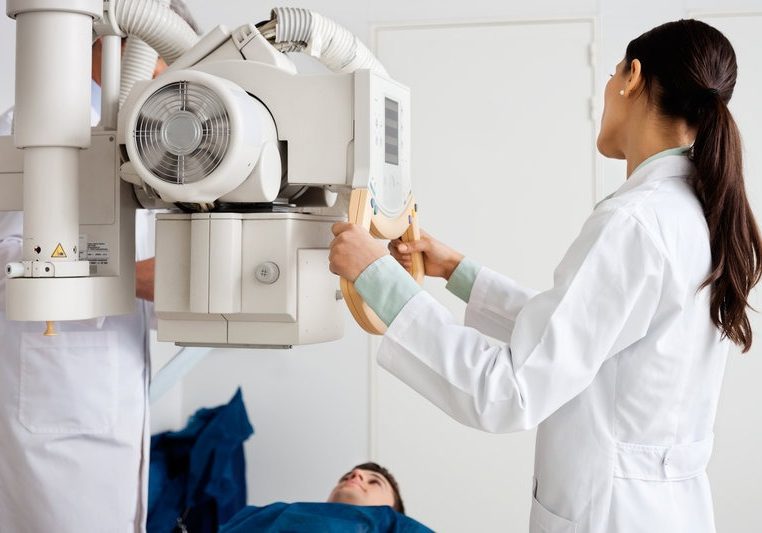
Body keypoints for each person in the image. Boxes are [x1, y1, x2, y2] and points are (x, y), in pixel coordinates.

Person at [328, 19, 761, 533]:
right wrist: (458, 272)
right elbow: (588, 340)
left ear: (632, 76)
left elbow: (509, 391)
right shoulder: (694, 213)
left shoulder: (635, 222)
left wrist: (377, 277)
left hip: (610, 517)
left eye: (612, 74)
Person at [0, 2, 201, 531]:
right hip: (54, 394)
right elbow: (10, 254)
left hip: (106, 389)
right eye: (162, 68)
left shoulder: (146, 147)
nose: (167, 87)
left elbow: (152, 280)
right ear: (115, 44)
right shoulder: (43, 126)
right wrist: (132, 277)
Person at [220, 462, 433, 532]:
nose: (355, 475)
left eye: (374, 481)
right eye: (348, 476)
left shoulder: (396, 527)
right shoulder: (263, 514)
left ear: (392, 509)